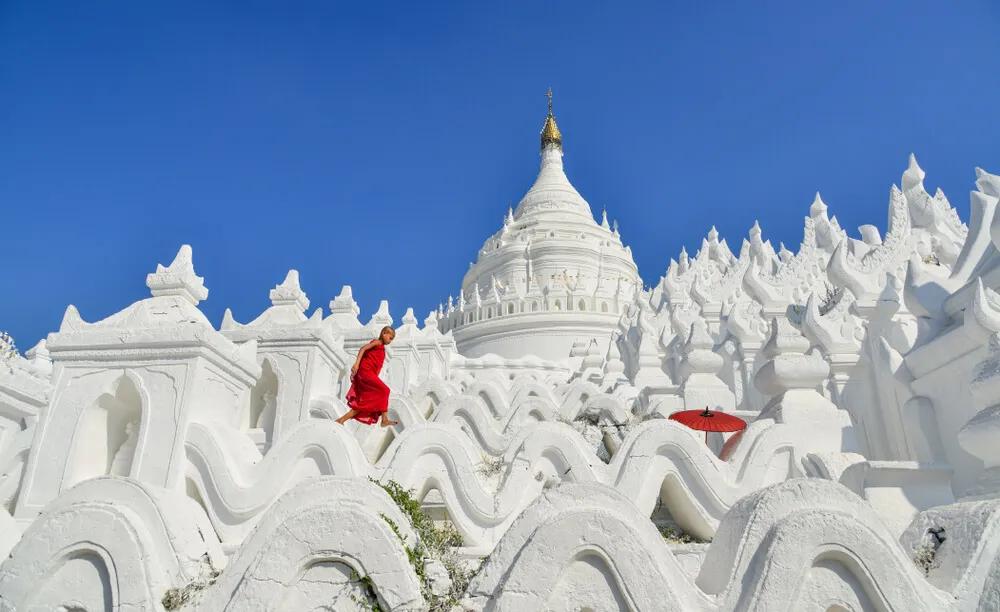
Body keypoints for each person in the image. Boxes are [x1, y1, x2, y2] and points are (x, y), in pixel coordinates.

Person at [336, 326, 399, 427]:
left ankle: (341, 420)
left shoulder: (382, 348)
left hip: (369, 375)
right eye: (390, 338)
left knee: (364, 403)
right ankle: (384, 419)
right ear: (384, 333)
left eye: (392, 339)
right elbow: (363, 348)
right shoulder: (377, 342)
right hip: (365, 372)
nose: (390, 341)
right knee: (385, 390)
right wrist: (356, 364)